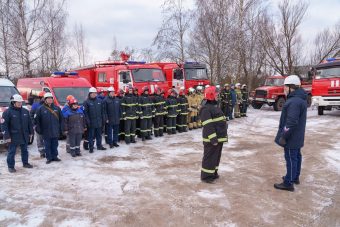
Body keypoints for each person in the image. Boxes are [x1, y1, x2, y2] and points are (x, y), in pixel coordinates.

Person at [274, 75, 307, 192]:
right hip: (297, 135)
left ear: (290, 87)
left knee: (291, 158)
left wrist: (284, 136)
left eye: (285, 86)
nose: (284, 89)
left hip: (291, 137)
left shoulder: (294, 101)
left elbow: (291, 122)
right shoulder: (299, 99)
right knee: (297, 156)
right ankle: (294, 176)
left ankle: (288, 183)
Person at [199, 86, 228, 183]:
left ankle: (213, 173)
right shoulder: (205, 109)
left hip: (219, 137)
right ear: (211, 95)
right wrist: (213, 139)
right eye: (216, 94)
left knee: (216, 157)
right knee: (209, 157)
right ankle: (206, 176)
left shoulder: (214, 106)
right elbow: (208, 126)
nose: (218, 96)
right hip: (212, 139)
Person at [2, 94, 34, 172]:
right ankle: (10, 166)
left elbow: (29, 123)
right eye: (18, 102)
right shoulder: (7, 112)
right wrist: (7, 136)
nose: (20, 103)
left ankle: (25, 163)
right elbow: (4, 125)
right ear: (13, 102)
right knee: (12, 152)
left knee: (25, 150)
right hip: (13, 136)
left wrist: (31, 132)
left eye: (21, 102)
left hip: (24, 135)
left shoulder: (25, 111)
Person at [35, 92, 63, 164]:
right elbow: (37, 121)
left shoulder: (57, 108)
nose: (50, 100)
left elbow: (61, 119)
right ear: (45, 100)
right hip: (46, 131)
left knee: (55, 144)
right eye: (48, 98)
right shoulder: (40, 109)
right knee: (47, 145)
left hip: (55, 130)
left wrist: (61, 129)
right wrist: (39, 129)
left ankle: (55, 156)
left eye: (51, 98)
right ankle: (49, 158)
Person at [83, 87, 107, 153]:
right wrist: (88, 121)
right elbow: (85, 113)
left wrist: (103, 119)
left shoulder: (99, 101)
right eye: (92, 93)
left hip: (99, 122)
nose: (94, 94)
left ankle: (99, 146)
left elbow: (103, 111)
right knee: (91, 136)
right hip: (91, 123)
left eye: (95, 93)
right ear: (90, 94)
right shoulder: (86, 102)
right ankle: (91, 148)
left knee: (99, 135)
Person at [30, 91, 45, 158]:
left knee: (48, 139)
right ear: (41, 97)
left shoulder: (50, 105)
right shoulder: (35, 105)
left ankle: (48, 152)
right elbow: (31, 115)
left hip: (47, 126)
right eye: (44, 97)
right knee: (39, 140)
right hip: (38, 126)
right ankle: (42, 153)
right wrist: (34, 124)